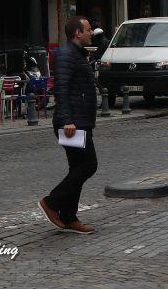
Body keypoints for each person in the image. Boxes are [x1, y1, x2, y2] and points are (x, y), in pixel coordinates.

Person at [39, 16, 99, 233]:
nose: (91, 32)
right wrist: (67, 121)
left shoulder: (77, 54)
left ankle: (69, 217)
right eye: (88, 29)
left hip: (80, 120)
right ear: (77, 33)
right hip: (73, 123)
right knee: (88, 165)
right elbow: (61, 89)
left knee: (78, 167)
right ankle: (52, 202)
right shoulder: (66, 55)